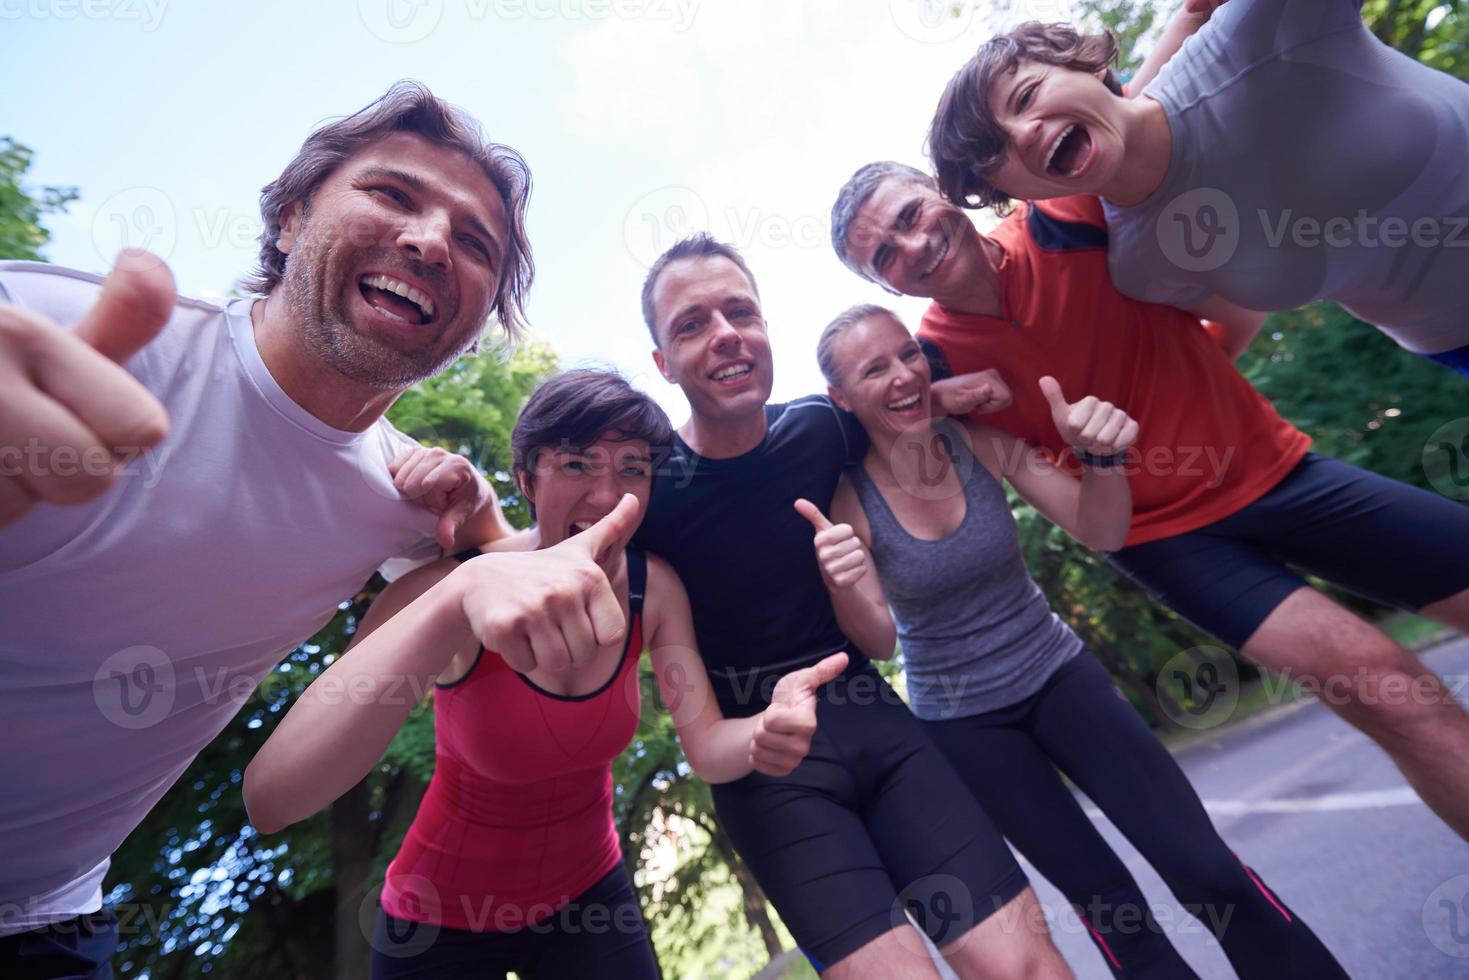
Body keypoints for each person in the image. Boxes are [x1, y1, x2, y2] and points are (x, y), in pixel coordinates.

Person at [0, 83, 622, 977]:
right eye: (393, 194)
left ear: (482, 318)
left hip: (50, 924)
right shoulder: (69, 336)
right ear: (290, 217)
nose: (430, 239)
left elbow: (289, 785)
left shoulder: (412, 503)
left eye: (474, 240)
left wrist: (482, 522)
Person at [828, 162, 1469, 843]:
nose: (912, 246)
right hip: (1170, 543)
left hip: (1280, 472)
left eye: (908, 216)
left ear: (940, 188)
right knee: (1396, 697)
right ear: (883, 285)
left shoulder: (1068, 216)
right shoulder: (933, 364)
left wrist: (1192, 379)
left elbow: (1147, 133)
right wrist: (936, 398)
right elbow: (837, 423)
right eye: (884, 257)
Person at [244, 369, 847, 978]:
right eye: (578, 464)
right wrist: (461, 593)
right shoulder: (453, 585)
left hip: (594, 900)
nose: (608, 497)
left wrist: (764, 730)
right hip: (440, 917)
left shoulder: (653, 589)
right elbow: (272, 799)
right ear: (528, 477)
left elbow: (711, 750)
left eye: (633, 469)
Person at [807, 303, 1349, 979]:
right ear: (840, 398)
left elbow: (1099, 529)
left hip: (1058, 675)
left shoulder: (981, 441)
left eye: (907, 354)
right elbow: (880, 641)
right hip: (964, 724)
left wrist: (1099, 460)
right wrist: (839, 583)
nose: (901, 375)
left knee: (1206, 870)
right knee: (1112, 909)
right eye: (873, 369)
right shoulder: (847, 500)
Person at [633, 234, 1072, 978]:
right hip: (766, 769)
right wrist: (472, 512)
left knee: (1026, 964)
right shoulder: (645, 492)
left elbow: (890, 404)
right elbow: (552, 537)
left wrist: (952, 393)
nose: (724, 335)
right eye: (690, 324)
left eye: (740, 311)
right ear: (662, 364)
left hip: (880, 727)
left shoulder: (818, 427)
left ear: (766, 326)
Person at [926, 2, 1469, 375]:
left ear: (1083, 64)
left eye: (1025, 97)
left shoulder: (1258, 29)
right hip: (1453, 340)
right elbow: (1217, 340)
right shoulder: (1143, 267)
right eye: (996, 155)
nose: (1023, 134)